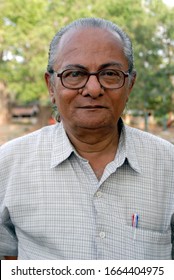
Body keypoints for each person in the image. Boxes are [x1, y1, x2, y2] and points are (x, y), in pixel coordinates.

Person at [0, 17, 174, 260]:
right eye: (74, 74)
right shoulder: (9, 163)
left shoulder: (168, 165)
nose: (93, 89)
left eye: (110, 73)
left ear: (130, 85)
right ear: (51, 86)